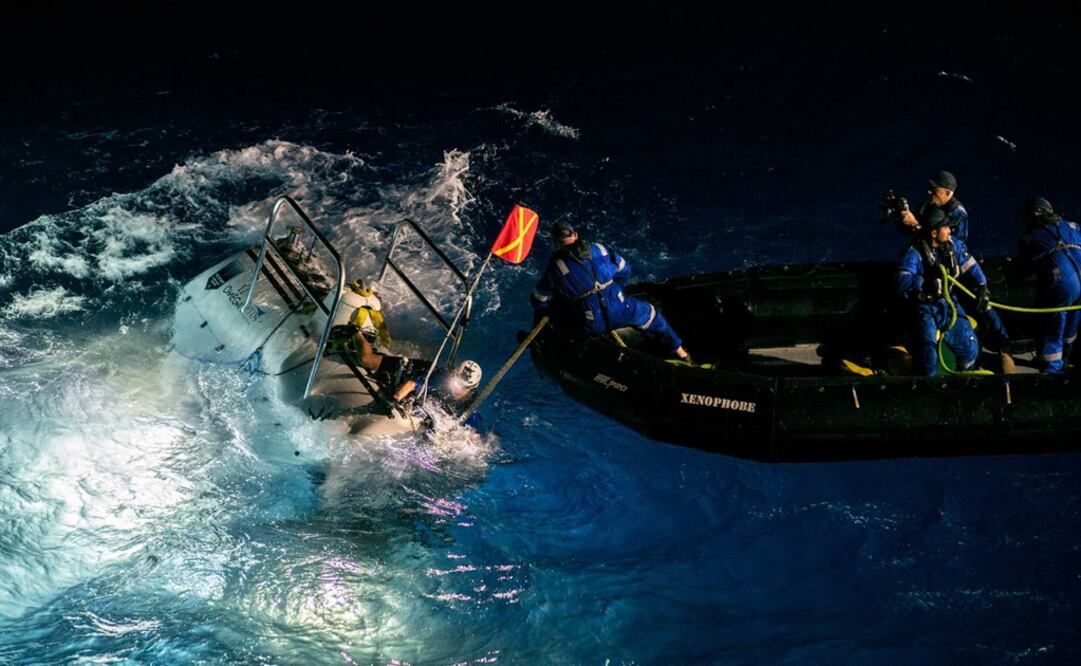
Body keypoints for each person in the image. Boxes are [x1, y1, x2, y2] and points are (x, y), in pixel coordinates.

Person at [531, 220, 692, 362]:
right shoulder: (599, 249)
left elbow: (540, 298)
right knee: (651, 315)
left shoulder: (555, 267)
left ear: (556, 243)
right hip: (621, 309)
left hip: (593, 323)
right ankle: (683, 355)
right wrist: (614, 290)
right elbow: (625, 270)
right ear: (575, 234)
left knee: (566, 319)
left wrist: (548, 310)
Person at [896, 207, 1000, 375]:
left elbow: (971, 267)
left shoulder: (954, 246)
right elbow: (902, 281)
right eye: (945, 227)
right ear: (934, 233)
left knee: (969, 345)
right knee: (928, 351)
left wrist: (982, 288)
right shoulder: (914, 253)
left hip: (948, 304)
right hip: (925, 307)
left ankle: (967, 380)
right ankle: (928, 387)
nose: (950, 230)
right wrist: (924, 284)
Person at [1017, 197, 1081, 373]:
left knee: (1052, 322)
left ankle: (1052, 371)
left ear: (1035, 214)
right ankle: (1070, 357)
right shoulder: (1073, 226)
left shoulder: (1029, 236)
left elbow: (1028, 273)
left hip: (1063, 283)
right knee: (1073, 320)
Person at [392, 359, 483, 428]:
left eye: (464, 387)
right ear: (454, 375)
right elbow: (413, 384)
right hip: (421, 370)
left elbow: (472, 437)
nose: (458, 389)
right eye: (457, 383)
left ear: (472, 388)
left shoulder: (471, 410)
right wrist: (396, 398)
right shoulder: (441, 379)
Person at [899, 170, 971, 242]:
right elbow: (910, 229)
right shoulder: (928, 202)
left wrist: (916, 224)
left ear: (948, 193)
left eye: (934, 189)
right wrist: (904, 218)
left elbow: (950, 247)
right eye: (930, 187)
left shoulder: (958, 213)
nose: (929, 191)